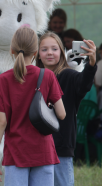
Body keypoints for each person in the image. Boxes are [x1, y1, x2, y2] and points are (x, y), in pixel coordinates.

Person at [0, 27, 66, 186]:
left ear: (11, 50)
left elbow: (1, 122)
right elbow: (61, 114)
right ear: (36, 52)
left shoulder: (2, 80)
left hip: (15, 152)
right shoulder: (47, 76)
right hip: (43, 152)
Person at [36, 32, 97, 186]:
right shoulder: (34, 77)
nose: (49, 52)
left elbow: (84, 84)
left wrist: (91, 64)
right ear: (37, 53)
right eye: (44, 49)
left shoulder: (69, 75)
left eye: (54, 49)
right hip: (36, 145)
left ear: (62, 53)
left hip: (60, 146)